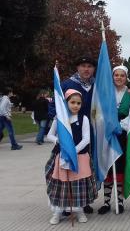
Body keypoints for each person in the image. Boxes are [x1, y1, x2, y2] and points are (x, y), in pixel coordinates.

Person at [48, 56, 97, 214]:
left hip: (90, 132)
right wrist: (59, 120)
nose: (86, 69)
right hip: (69, 133)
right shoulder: (67, 85)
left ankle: (83, 201)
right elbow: (55, 104)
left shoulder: (96, 84)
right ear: (78, 67)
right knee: (64, 171)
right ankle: (65, 202)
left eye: (89, 66)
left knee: (85, 171)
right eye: (83, 65)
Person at [45, 89, 97, 225]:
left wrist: (73, 151)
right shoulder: (59, 119)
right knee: (61, 184)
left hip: (79, 157)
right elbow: (50, 135)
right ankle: (58, 212)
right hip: (62, 156)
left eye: (78, 103)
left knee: (77, 185)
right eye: (72, 102)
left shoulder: (83, 118)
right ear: (66, 103)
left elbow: (86, 139)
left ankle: (79, 211)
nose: (75, 106)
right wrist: (58, 141)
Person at [98, 65, 130, 215]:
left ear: (126, 78)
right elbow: (98, 112)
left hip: (121, 134)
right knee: (108, 167)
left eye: (122, 75)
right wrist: (107, 125)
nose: (119, 78)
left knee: (119, 168)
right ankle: (106, 202)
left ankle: (119, 201)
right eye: (116, 75)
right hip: (107, 134)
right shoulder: (105, 94)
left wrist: (120, 126)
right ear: (112, 77)